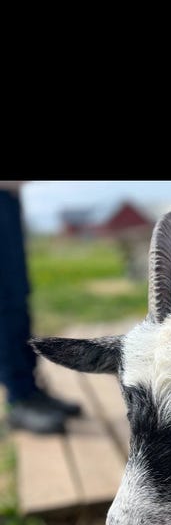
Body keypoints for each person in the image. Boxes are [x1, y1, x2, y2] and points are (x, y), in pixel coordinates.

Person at [0, 181, 82, 433]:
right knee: (6, 301)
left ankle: (30, 390)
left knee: (18, 297)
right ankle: (19, 398)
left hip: (8, 194)